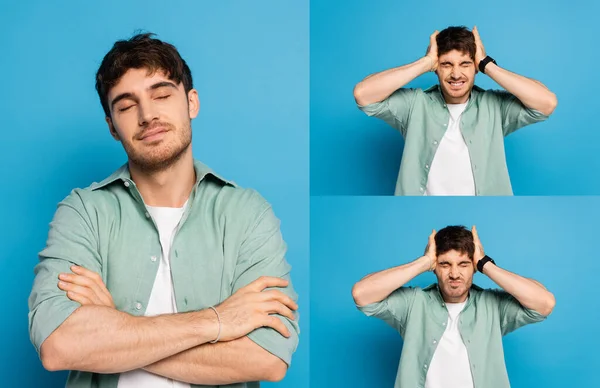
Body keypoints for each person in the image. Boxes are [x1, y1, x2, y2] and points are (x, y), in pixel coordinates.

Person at [28, 33, 299, 388]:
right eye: (126, 106)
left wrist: (115, 327)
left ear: (191, 102)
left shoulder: (247, 214)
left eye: (161, 94)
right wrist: (216, 321)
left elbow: (268, 357)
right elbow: (59, 345)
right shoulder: (83, 212)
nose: (147, 115)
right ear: (112, 126)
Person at [353, 26, 558, 196]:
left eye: (465, 64)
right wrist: (425, 63)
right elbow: (363, 94)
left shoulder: (494, 106)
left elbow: (546, 102)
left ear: (475, 67)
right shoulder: (415, 104)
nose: (456, 74)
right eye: (446, 64)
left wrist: (487, 64)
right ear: (436, 67)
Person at [352, 225, 555, 388]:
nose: (455, 274)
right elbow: (362, 294)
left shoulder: (492, 306)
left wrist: (485, 263)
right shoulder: (414, 303)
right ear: (434, 267)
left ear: (474, 267)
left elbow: (544, 302)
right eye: (445, 264)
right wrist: (423, 261)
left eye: (464, 264)